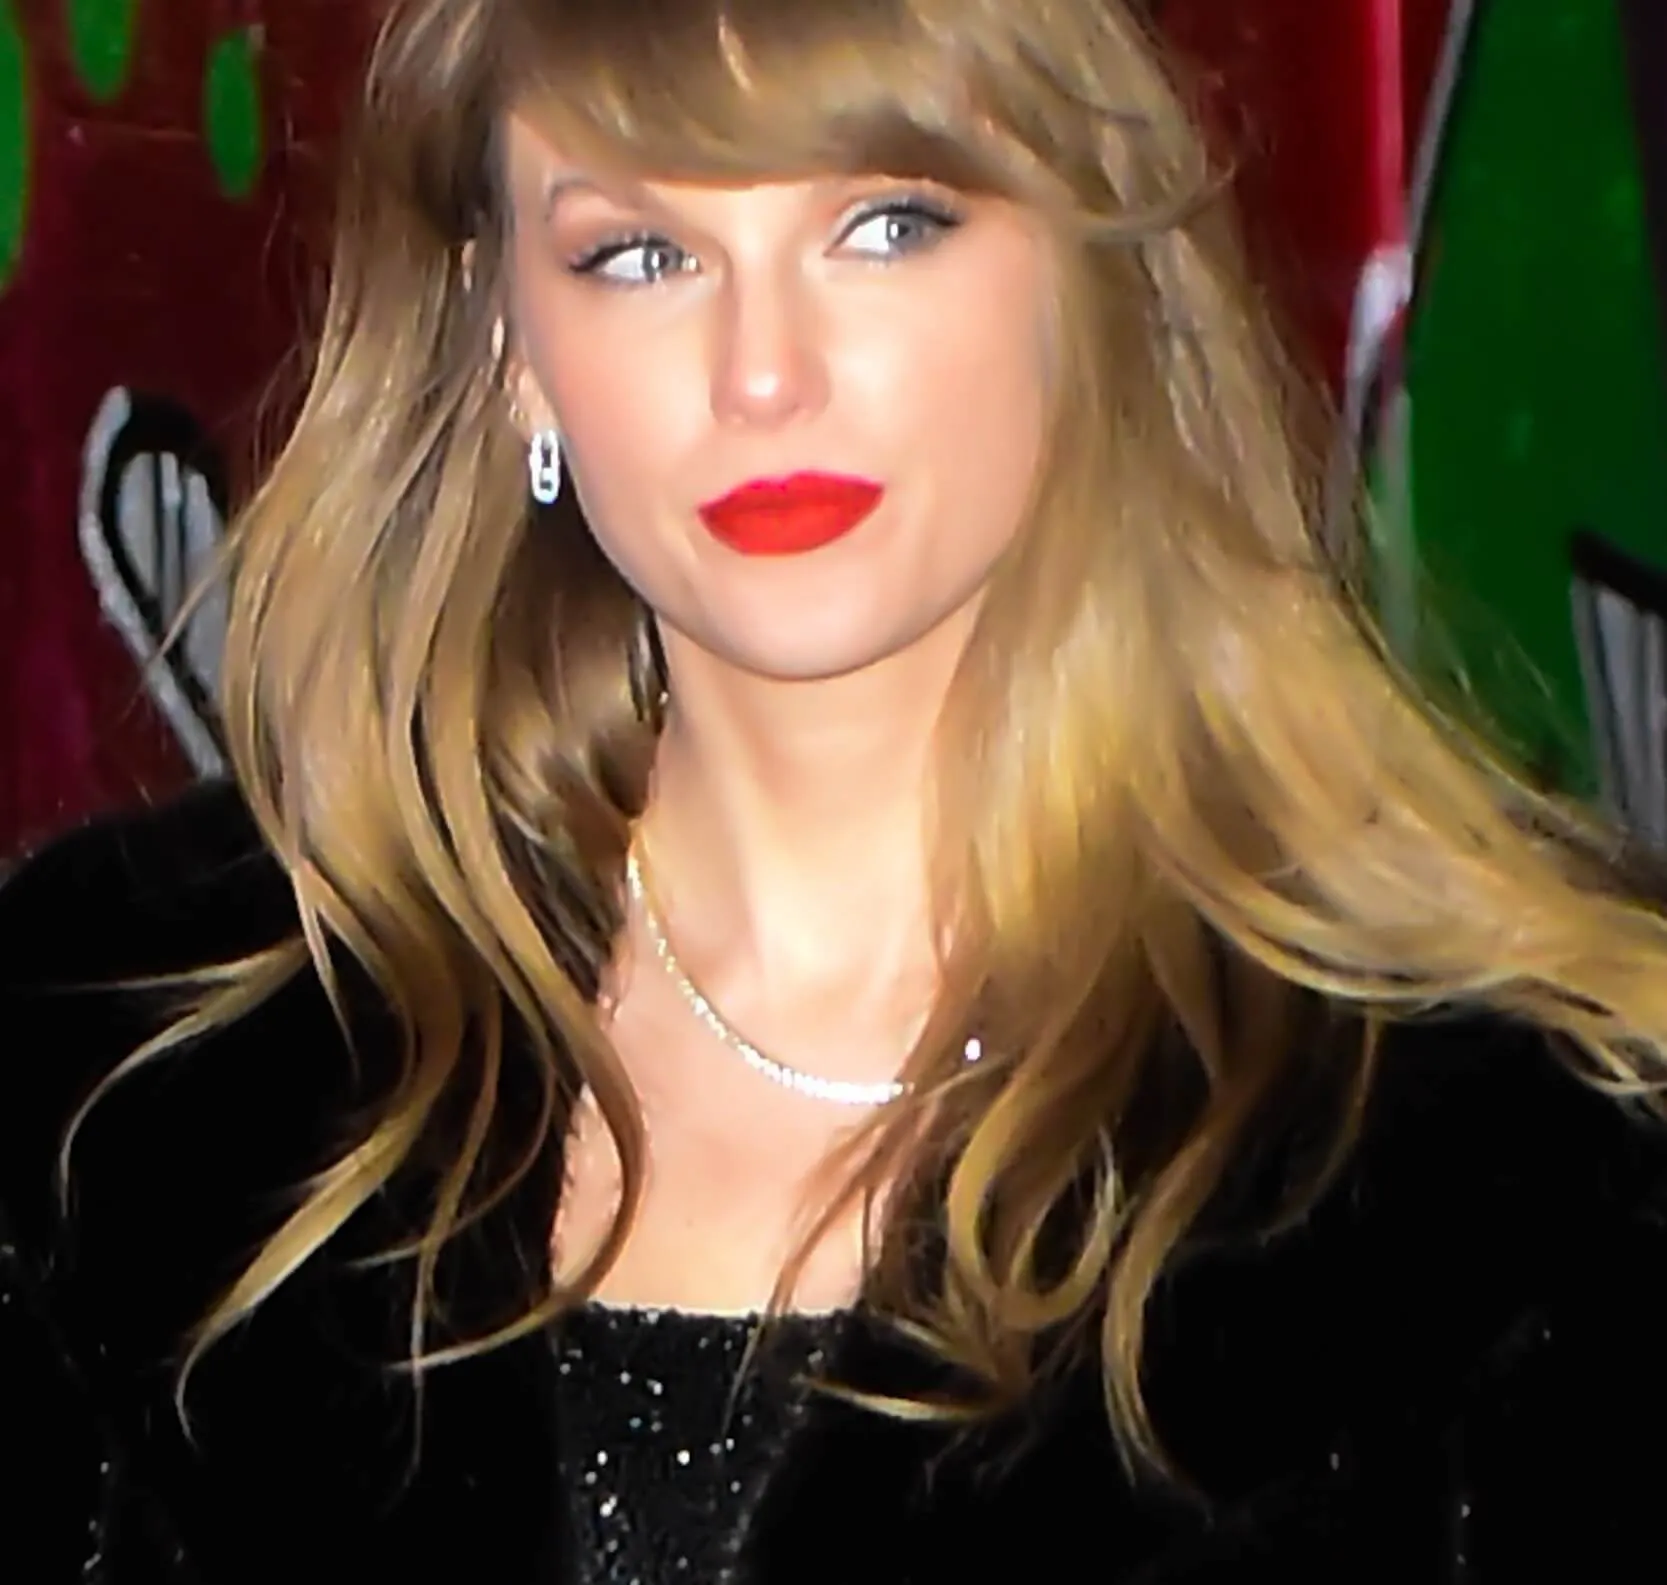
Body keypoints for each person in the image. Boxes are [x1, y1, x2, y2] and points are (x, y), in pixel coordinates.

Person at [6, 0, 1667, 1580]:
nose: (762, 373)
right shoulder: (133, 1055)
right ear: (511, 344)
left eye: (882, 225)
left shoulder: (1502, 1144)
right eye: (641, 255)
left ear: (1082, 277)